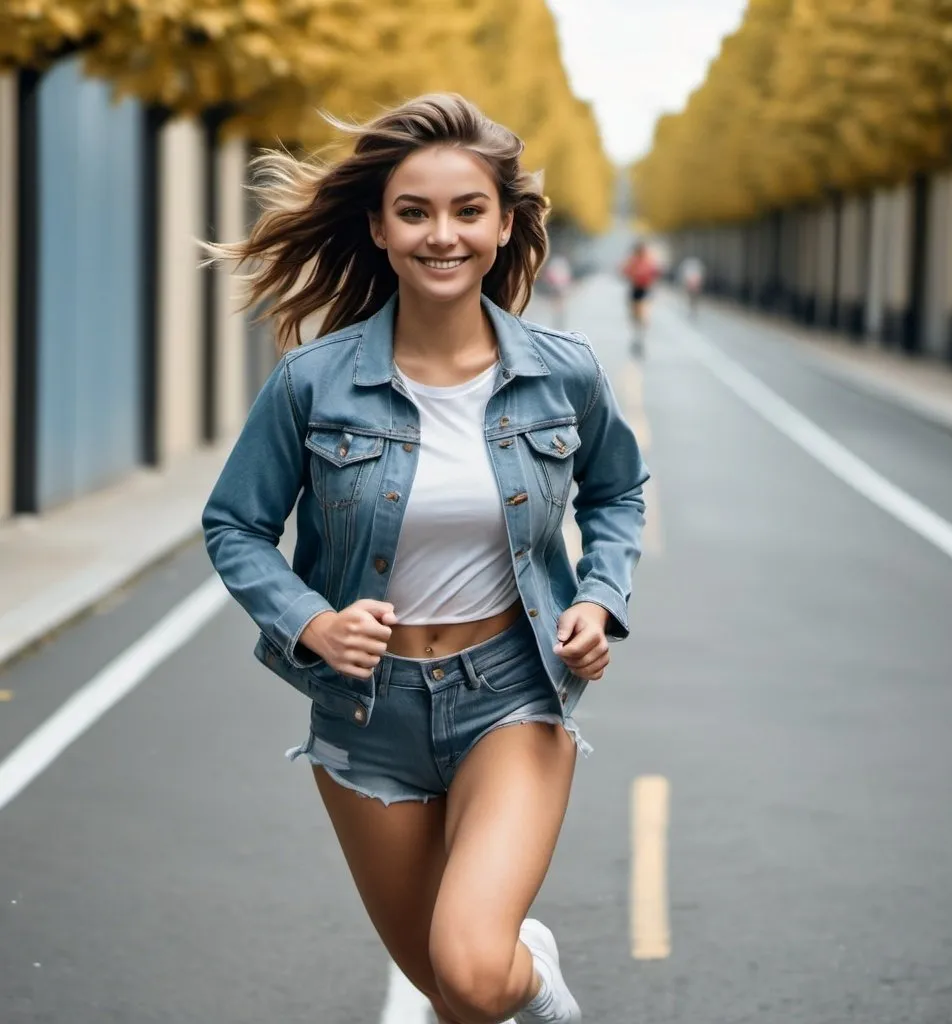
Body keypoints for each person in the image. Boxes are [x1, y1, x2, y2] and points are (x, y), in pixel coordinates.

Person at [201, 94, 648, 1024]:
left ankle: (540, 984)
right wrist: (311, 622)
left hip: (512, 689)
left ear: (504, 224)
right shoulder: (313, 384)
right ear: (378, 226)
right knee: (452, 992)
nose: (441, 235)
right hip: (368, 713)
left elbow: (618, 493)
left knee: (479, 973)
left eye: (467, 210)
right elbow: (235, 526)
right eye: (415, 212)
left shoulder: (563, 371)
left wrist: (599, 601)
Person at [619, 241, 660, 354]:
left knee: (643, 315)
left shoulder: (648, 261)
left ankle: (640, 338)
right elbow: (624, 272)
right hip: (634, 290)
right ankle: (637, 336)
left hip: (645, 291)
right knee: (634, 316)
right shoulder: (632, 261)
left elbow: (655, 273)